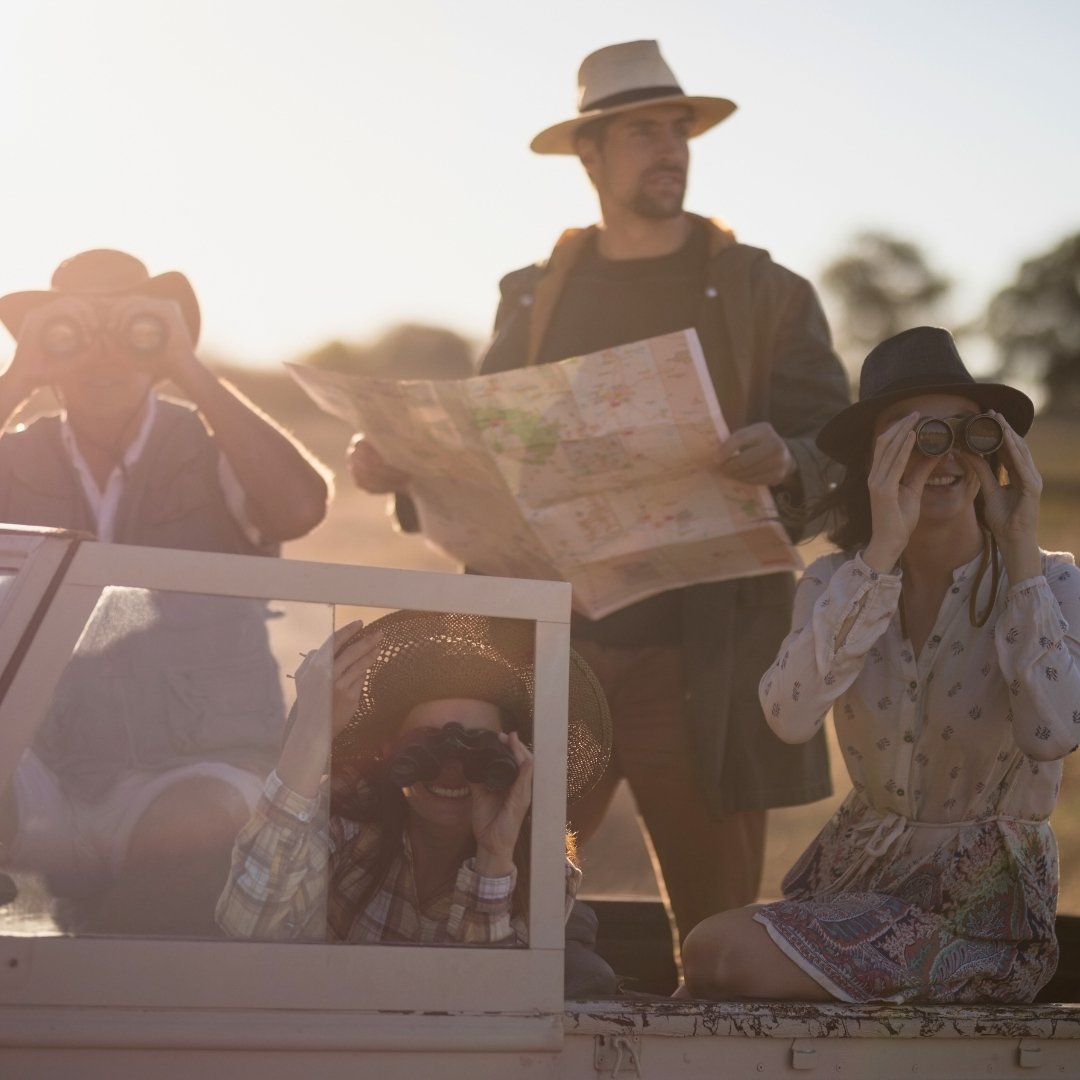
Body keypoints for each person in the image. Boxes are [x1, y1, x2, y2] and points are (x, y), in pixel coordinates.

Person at [347, 39, 851, 954]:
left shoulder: (767, 293)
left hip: (703, 666)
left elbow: (842, 453)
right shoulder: (535, 297)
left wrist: (790, 459)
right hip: (546, 665)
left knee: (714, 936)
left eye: (679, 130)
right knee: (501, 909)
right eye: (643, 133)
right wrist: (403, 468)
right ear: (590, 156)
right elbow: (486, 449)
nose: (670, 149)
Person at [680, 326, 1079, 1004]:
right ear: (872, 460)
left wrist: (1018, 558)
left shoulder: (1053, 586)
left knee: (721, 954)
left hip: (979, 918)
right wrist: (882, 551)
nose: (942, 456)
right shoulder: (841, 583)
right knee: (702, 962)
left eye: (962, 432)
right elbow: (789, 716)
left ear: (997, 449)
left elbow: (1052, 734)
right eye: (913, 436)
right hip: (861, 887)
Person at [0, 248, 333, 935]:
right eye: (71, 332)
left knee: (206, 823)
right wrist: (19, 377)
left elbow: (300, 507)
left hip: (193, 756)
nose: (103, 353)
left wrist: (191, 371)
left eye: (133, 328)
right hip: (40, 764)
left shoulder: (216, 449)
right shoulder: (13, 453)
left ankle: (105, 973)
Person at [216, 609, 612, 951]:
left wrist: (495, 856)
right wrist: (312, 732)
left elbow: (488, 1008)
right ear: (389, 752)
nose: (449, 769)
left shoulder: (542, 870)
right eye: (426, 746)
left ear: (512, 757)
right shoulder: (345, 820)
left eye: (477, 750)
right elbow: (245, 927)